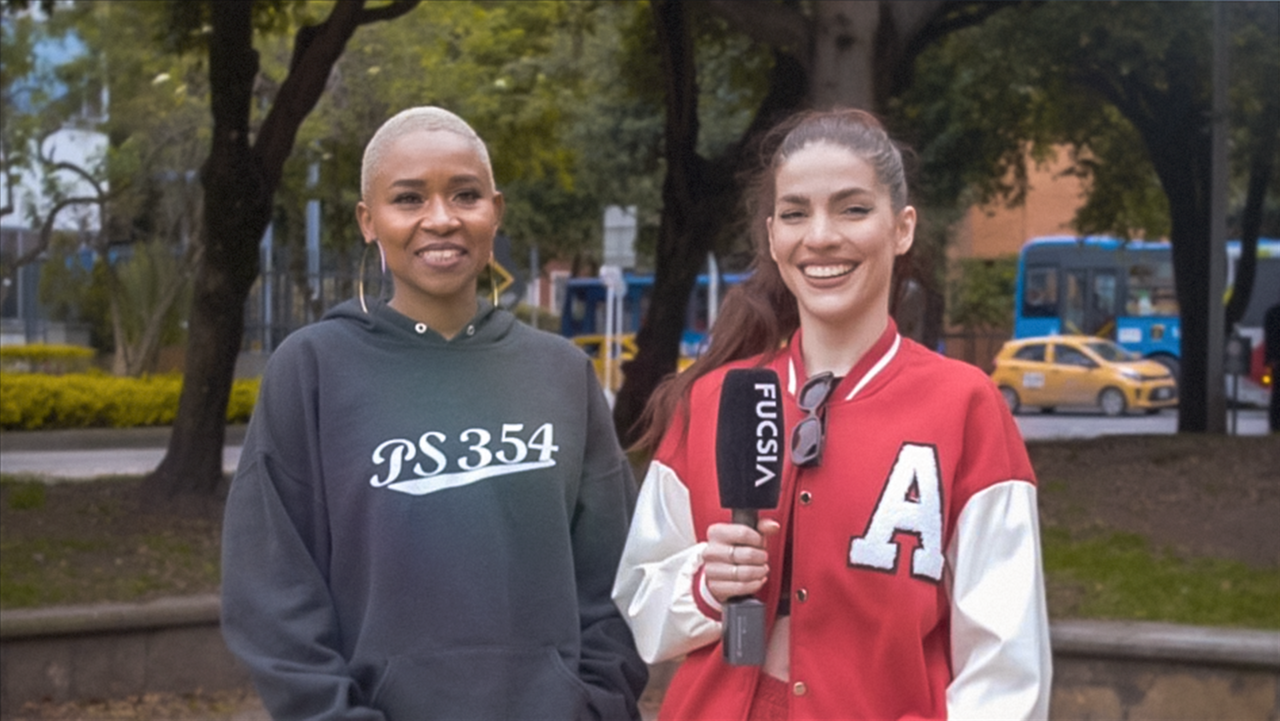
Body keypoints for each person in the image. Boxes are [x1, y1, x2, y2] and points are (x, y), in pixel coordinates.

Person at [612, 108, 1051, 720]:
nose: (820, 236)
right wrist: (705, 583)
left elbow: (1007, 665)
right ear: (772, 237)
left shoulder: (965, 406)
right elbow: (642, 608)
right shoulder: (712, 402)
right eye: (795, 213)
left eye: (851, 209)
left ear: (902, 228)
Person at [221, 106, 648, 720]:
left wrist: (596, 706)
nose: (441, 219)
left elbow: (615, 577)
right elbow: (272, 591)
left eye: (465, 195)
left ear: (494, 211)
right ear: (370, 221)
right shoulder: (312, 369)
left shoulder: (560, 373)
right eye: (409, 198)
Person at [1266, 303, 1280, 432]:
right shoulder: (1274, 314)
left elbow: (1269, 339)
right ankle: (1276, 424)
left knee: (1276, 393)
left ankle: (1275, 424)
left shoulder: (1272, 313)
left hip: (1276, 360)